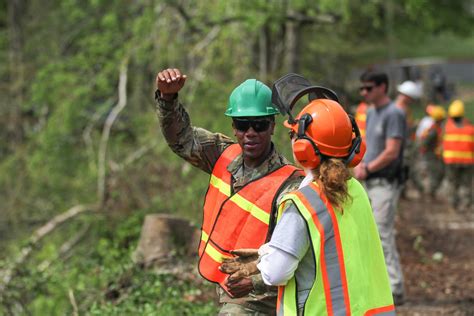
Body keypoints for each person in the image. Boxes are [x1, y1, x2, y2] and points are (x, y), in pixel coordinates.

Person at [222, 97, 395, 315]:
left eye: (293, 135)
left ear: (304, 148)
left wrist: (265, 261)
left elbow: (277, 273)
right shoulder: (355, 189)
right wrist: (268, 250)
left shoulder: (303, 203)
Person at [155, 68, 303, 314]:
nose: (251, 132)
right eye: (243, 124)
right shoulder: (222, 153)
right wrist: (168, 99)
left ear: (272, 126)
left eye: (259, 124)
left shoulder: (290, 184)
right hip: (228, 287)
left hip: (260, 297)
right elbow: (181, 139)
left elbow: (291, 254)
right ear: (234, 127)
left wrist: (253, 281)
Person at [353, 70, 406, 304]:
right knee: (368, 233)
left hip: (385, 182)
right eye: (362, 88)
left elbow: (392, 151)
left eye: (369, 87)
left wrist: (368, 167)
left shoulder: (394, 113)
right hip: (369, 180)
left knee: (383, 234)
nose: (364, 92)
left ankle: (395, 288)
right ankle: (379, 284)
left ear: (383, 87)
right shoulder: (372, 112)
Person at [442, 100, 474, 212]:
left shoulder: (446, 128)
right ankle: (466, 205)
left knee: (452, 183)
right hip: (467, 161)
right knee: (466, 184)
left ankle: (453, 205)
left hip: (451, 160)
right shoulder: (470, 129)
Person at [416, 105, 446, 199]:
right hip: (430, 155)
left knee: (436, 174)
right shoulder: (433, 130)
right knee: (434, 174)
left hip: (432, 154)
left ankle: (429, 193)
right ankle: (429, 194)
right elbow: (424, 142)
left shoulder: (435, 127)